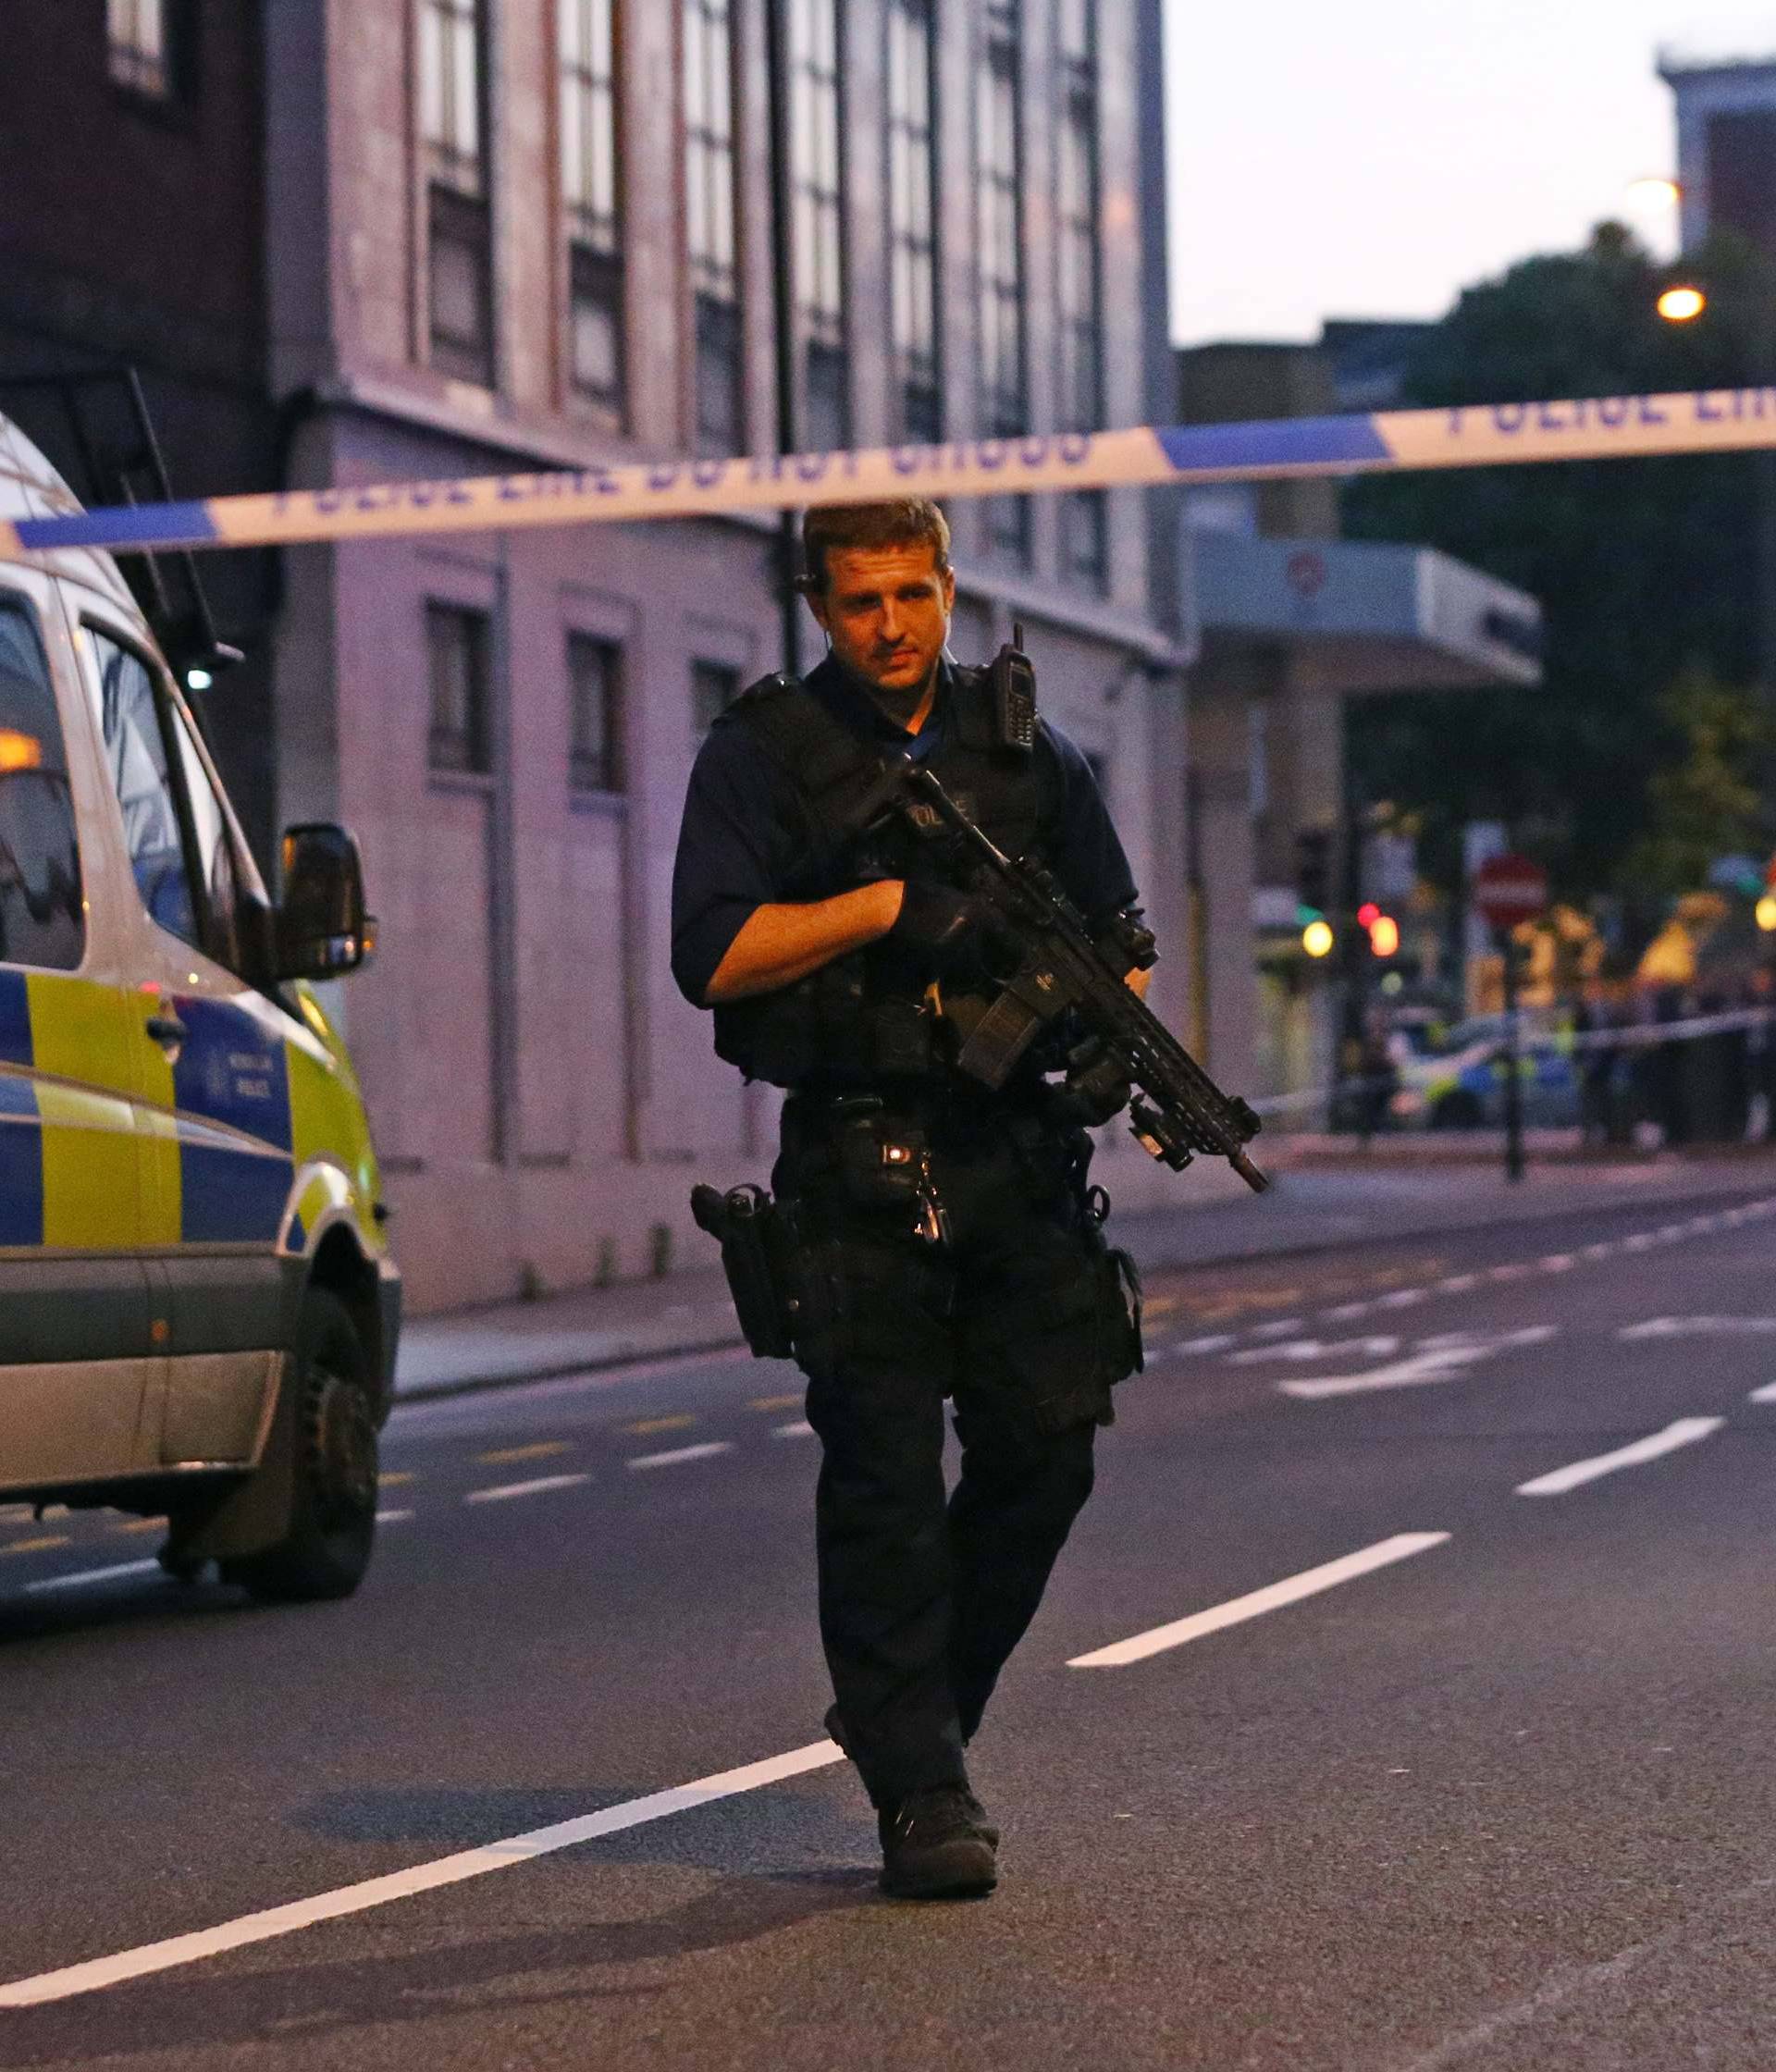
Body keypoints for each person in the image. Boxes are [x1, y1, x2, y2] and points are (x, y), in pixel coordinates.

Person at [671, 499, 1147, 1900]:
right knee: (881, 1481)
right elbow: (713, 953)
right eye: (861, 602)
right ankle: (924, 1787)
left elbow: (1114, 938)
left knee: (1048, 1454)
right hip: (862, 1163)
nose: (892, 627)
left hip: (1019, 1162)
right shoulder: (768, 757)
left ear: (951, 589)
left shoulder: (1031, 757)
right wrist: (881, 910)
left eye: (914, 597)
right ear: (820, 607)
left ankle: (911, 1713)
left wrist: (1101, 1049)